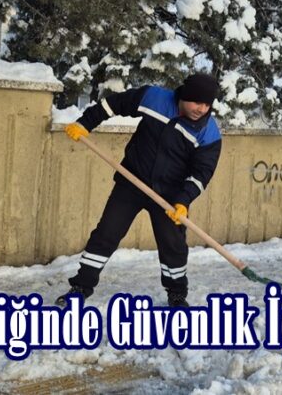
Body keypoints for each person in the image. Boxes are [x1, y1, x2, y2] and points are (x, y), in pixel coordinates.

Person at [56, 73, 222, 308]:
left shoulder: (209, 133)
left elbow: (202, 173)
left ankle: (176, 294)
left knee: (173, 246)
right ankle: (80, 287)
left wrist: (183, 201)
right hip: (131, 181)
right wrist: (86, 123)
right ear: (184, 96)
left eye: (207, 104)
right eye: (197, 102)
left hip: (170, 196)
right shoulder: (153, 98)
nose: (202, 109)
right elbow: (113, 104)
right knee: (106, 234)